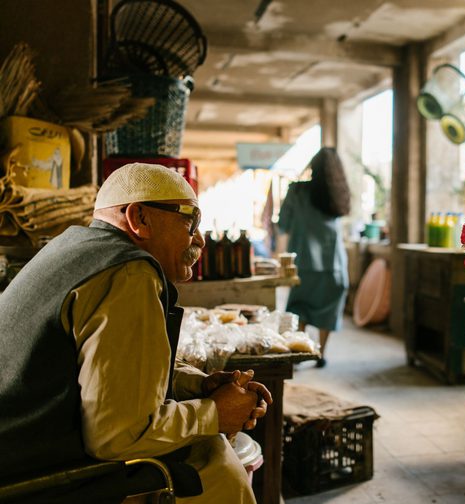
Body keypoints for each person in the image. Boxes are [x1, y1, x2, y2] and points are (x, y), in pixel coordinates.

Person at [0, 162, 272, 504]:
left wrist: (198, 385)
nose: (199, 238)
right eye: (190, 220)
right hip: (33, 478)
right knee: (212, 458)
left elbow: (105, 370)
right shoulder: (129, 274)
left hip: (19, 454)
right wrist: (215, 413)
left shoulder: (70, 247)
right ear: (139, 218)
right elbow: (116, 436)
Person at [278, 147, 350, 368]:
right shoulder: (338, 194)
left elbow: (283, 224)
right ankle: (320, 353)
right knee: (329, 309)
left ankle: (300, 352)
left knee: (300, 308)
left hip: (305, 263)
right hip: (334, 264)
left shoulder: (297, 191)